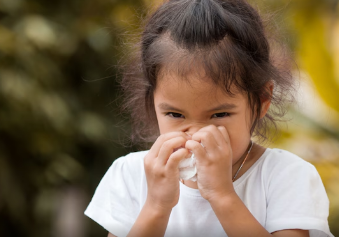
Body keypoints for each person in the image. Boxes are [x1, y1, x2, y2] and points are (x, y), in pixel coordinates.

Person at [84, 0, 334, 236]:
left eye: (219, 114)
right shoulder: (130, 175)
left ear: (261, 100)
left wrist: (222, 195)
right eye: (175, 114)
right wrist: (156, 206)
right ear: (153, 102)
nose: (196, 134)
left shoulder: (285, 176)